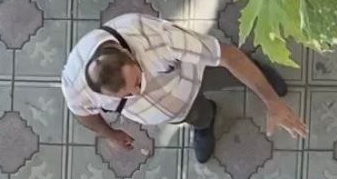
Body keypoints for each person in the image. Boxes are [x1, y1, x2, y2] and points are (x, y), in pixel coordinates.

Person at [61, 14, 307, 164]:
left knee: (227, 72)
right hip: (175, 110)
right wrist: (110, 134)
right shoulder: (75, 88)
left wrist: (272, 102)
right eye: (125, 96)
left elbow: (228, 56)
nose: (137, 93)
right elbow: (81, 112)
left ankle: (258, 73)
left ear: (127, 52)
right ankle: (205, 123)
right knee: (200, 116)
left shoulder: (157, 39)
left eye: (136, 81)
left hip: (193, 74)